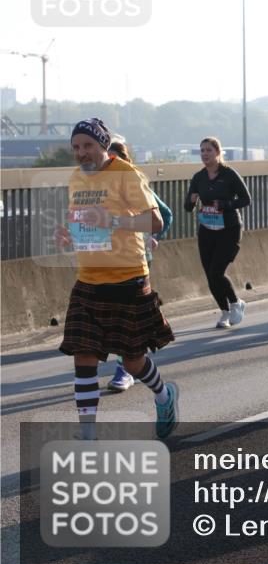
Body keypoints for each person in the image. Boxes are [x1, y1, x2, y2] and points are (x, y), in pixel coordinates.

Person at [55, 118, 179, 440]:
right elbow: (85, 222)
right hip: (88, 280)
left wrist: (112, 219)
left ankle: (164, 396)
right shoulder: (75, 178)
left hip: (128, 278)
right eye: (76, 147)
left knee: (134, 360)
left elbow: (154, 222)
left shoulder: (126, 175)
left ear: (103, 145)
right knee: (83, 356)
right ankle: (88, 435)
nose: (82, 153)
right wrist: (69, 234)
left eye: (88, 146)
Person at [104, 139, 174, 393]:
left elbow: (165, 215)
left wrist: (156, 236)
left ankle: (125, 370)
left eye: (113, 160)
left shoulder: (134, 184)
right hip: (107, 263)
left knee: (126, 322)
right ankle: (132, 366)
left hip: (136, 261)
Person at [184, 137, 252, 328]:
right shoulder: (199, 177)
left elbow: (246, 199)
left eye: (209, 150)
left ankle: (236, 302)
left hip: (229, 229)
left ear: (218, 152)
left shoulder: (229, 174)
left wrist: (226, 204)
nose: (205, 154)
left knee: (217, 271)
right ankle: (224, 312)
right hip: (207, 230)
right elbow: (187, 207)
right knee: (210, 275)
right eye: (202, 151)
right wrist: (191, 199)